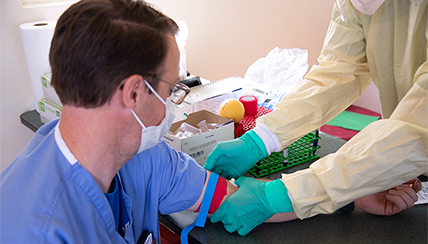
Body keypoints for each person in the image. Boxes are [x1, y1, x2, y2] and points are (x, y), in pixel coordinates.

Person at [0, 0, 241, 243]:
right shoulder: (33, 231)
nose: (171, 105)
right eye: (170, 92)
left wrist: (271, 195)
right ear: (134, 93)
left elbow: (223, 196)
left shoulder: (140, 152)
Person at [204, 0, 427, 236]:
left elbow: (415, 130)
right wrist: (263, 137)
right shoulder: (358, 4)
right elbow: (338, 71)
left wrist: (286, 195)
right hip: (400, 161)